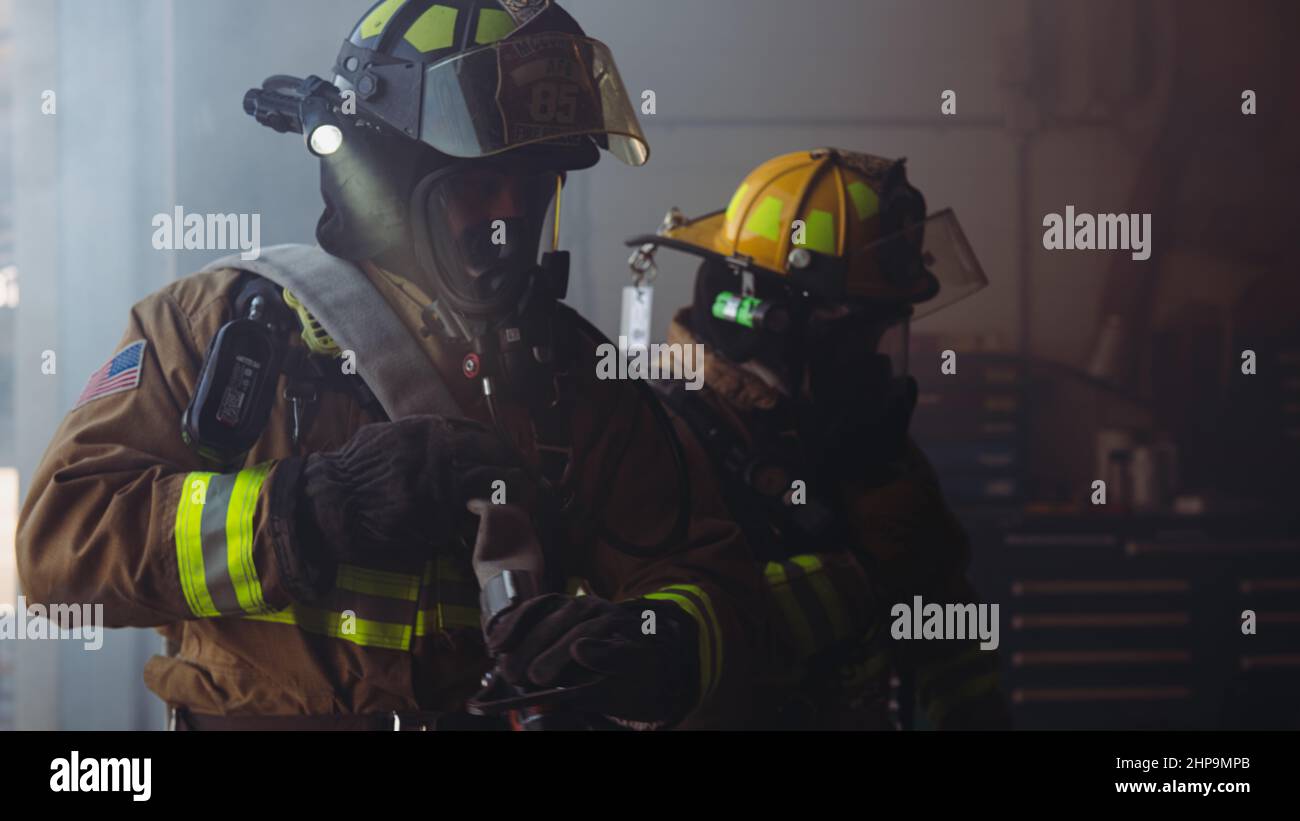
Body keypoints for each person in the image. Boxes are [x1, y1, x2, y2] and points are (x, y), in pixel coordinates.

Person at [17, 0, 760, 731]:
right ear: (391, 180)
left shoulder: (576, 372)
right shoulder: (218, 326)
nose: (509, 218)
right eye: (476, 185)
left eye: (532, 186)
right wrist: (308, 505)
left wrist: (659, 649)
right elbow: (60, 548)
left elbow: (705, 574)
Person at [629, 148, 1012, 728]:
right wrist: (860, 572)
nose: (870, 365)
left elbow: (948, 645)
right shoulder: (656, 443)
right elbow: (653, 651)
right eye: (855, 338)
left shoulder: (860, 443)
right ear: (764, 319)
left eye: (883, 333)